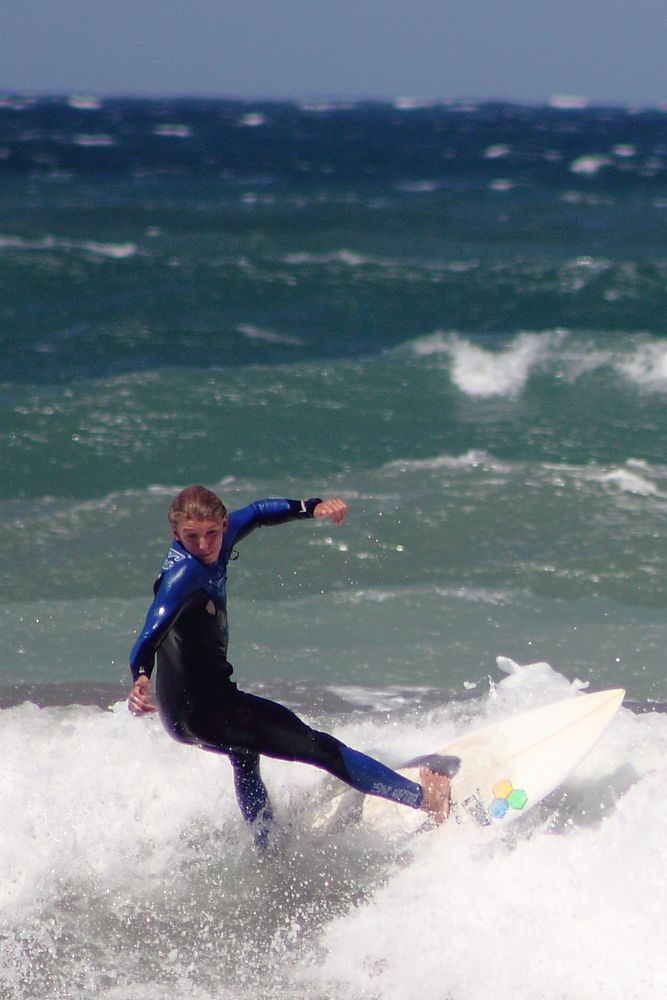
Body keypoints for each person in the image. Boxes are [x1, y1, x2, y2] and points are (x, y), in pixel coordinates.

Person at [128, 485, 450, 845]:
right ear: (176, 533)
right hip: (208, 711)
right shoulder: (182, 577)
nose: (204, 546)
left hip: (181, 716)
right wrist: (141, 675)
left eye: (211, 534)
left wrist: (312, 508)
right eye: (191, 537)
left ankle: (267, 847)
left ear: (222, 523)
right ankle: (427, 801)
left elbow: (260, 511)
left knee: (244, 753)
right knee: (322, 749)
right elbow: (150, 633)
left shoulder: (221, 536)